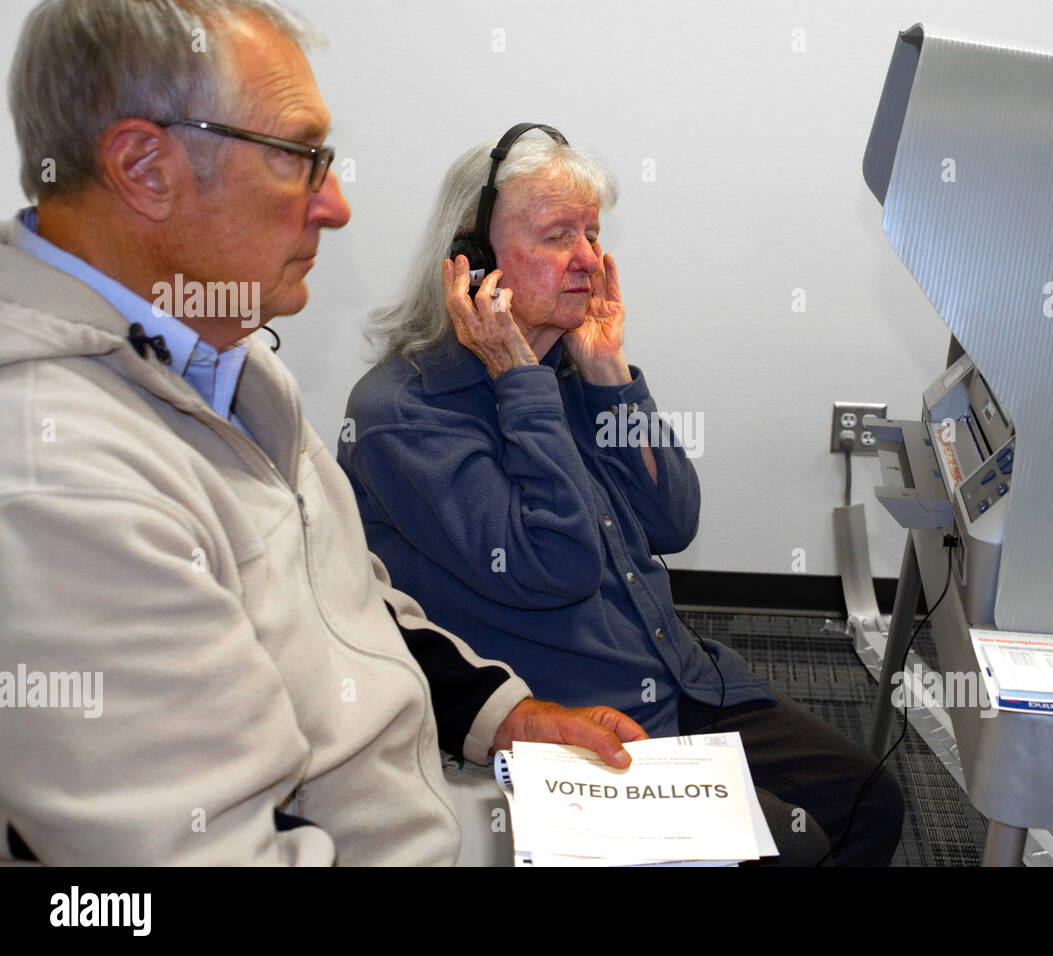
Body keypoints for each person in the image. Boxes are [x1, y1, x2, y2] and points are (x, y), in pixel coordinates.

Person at [0, 0, 647, 867]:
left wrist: (506, 716)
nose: (336, 207)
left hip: (432, 792)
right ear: (144, 167)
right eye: (299, 160)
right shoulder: (60, 478)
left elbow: (347, 599)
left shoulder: (231, 358)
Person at [338, 127, 905, 865]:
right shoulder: (404, 414)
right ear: (472, 262)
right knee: (782, 851)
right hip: (569, 718)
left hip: (674, 676)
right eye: (556, 235)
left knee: (870, 802)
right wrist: (521, 388)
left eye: (592, 233)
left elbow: (675, 519)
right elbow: (556, 566)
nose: (587, 259)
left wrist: (610, 376)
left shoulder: (570, 369)